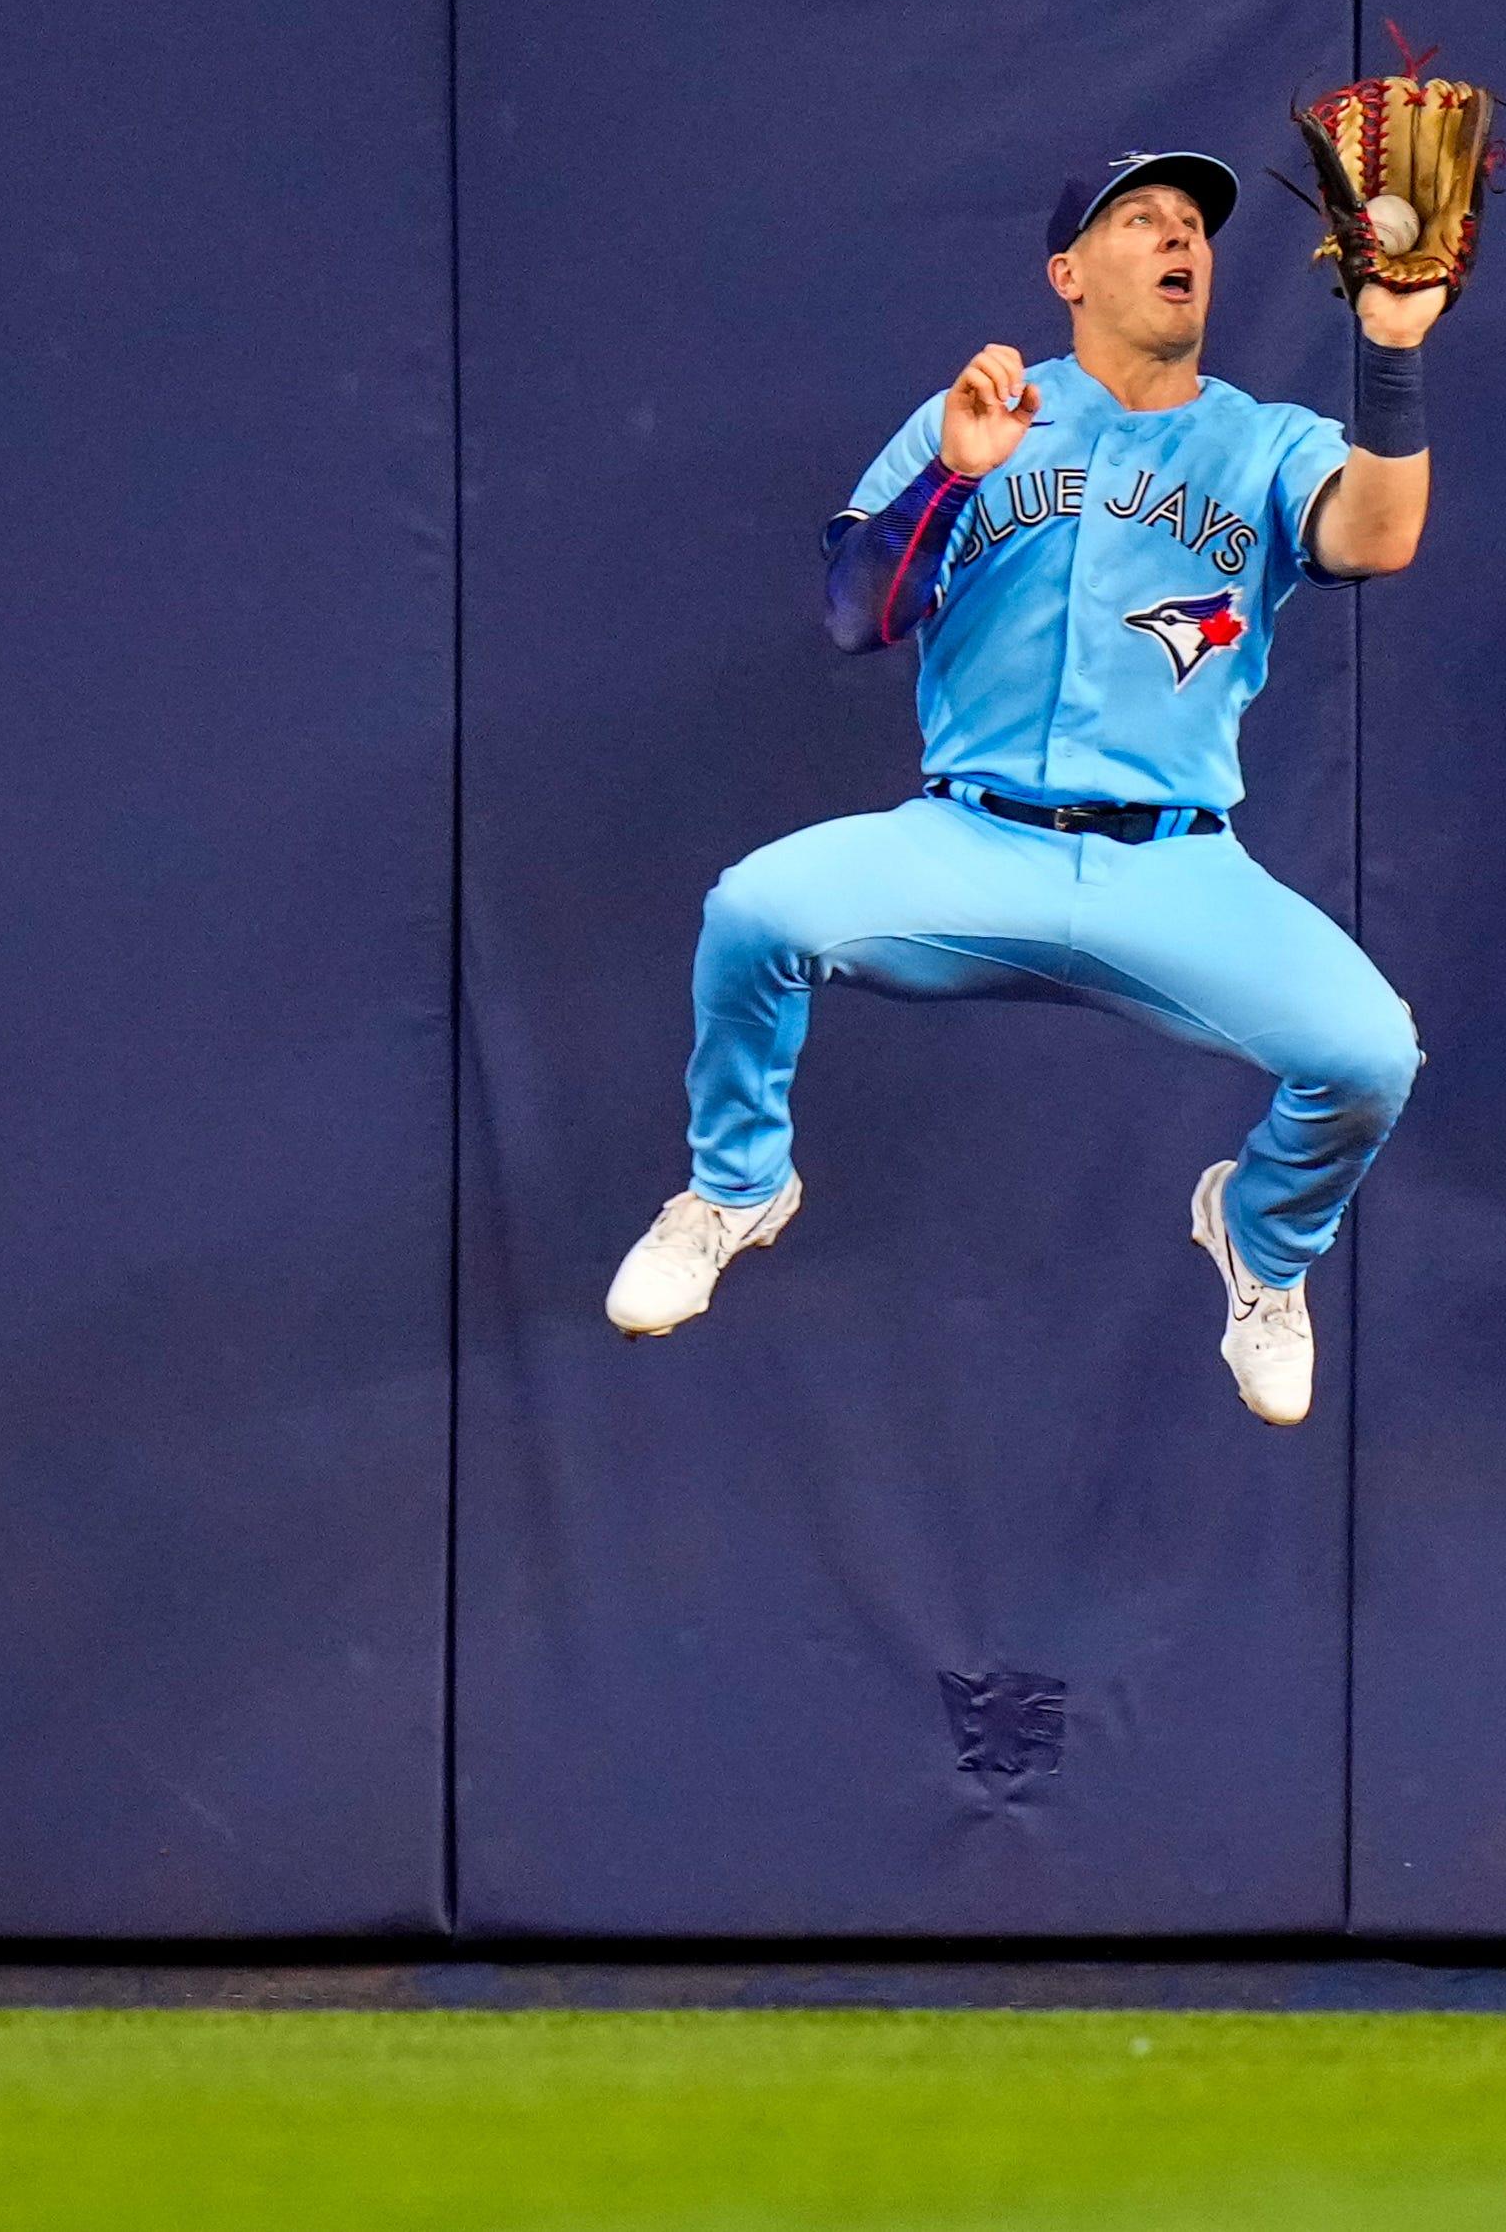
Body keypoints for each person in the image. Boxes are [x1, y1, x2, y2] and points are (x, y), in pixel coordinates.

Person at [603, 148, 1446, 1425]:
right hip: (965, 845)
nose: (1180, 237)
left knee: (1370, 1053)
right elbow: (853, 618)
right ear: (1068, 272)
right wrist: (952, 472)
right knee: (755, 911)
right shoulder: (984, 408)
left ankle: (1261, 1245)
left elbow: (1379, 535)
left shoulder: (1264, 440)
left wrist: (1390, 352)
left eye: (1193, 224)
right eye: (1142, 218)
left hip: (1174, 868)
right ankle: (734, 1189)